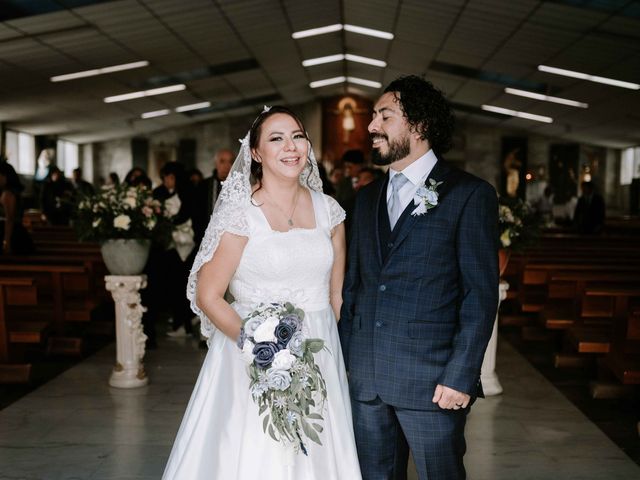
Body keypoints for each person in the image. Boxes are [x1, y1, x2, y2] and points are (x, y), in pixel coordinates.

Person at [162, 106, 361, 479]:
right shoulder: (240, 213)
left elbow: (336, 297)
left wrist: (320, 359)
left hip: (318, 356)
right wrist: (262, 350)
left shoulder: (330, 212)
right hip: (249, 357)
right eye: (277, 138)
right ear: (255, 153)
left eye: (298, 136)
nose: (291, 146)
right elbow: (208, 295)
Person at [339, 75, 499, 480]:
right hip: (368, 382)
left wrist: (461, 375)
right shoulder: (365, 198)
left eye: (385, 116)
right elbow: (354, 287)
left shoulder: (468, 194)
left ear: (420, 126)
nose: (372, 126)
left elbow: (479, 295)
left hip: (434, 384)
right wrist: (346, 362)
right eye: (373, 116)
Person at [192, 148, 234, 245]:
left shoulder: (240, 187)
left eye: (230, 162)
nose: (227, 166)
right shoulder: (203, 186)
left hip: (231, 242)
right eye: (222, 161)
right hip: (205, 240)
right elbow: (196, 216)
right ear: (216, 164)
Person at [0, 162, 34, 255]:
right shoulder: (11, 192)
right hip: (14, 231)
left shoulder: (8, 194)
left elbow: (9, 219)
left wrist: (6, 241)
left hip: (10, 233)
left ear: (5, 176)